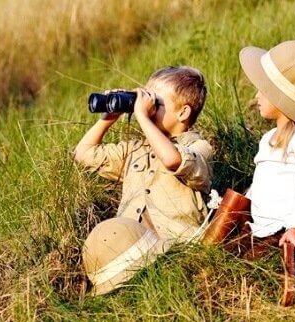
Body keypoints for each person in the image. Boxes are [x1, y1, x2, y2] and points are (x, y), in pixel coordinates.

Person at [73, 66, 212, 242]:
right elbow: (83, 153)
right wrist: (109, 117)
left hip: (176, 246)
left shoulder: (200, 147)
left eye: (156, 104)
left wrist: (143, 116)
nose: (147, 108)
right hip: (133, 246)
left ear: (183, 112)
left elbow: (172, 160)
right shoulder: (136, 150)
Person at [238, 40, 295, 257]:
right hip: (259, 225)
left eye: (263, 90)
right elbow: (261, 180)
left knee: (254, 263)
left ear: (281, 98)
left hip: (282, 227)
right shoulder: (268, 138)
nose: (256, 96)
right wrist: (242, 206)